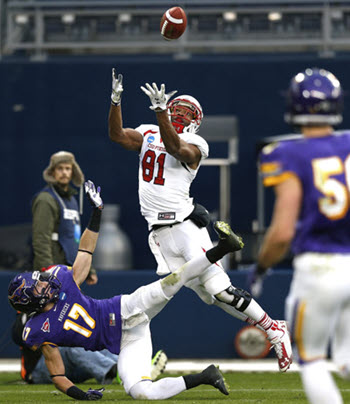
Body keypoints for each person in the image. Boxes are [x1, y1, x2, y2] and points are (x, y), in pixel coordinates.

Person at [108, 68, 292, 372]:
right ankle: (273, 327)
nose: (178, 113)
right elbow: (117, 136)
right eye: (176, 108)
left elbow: (176, 148)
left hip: (185, 228)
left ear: (196, 121)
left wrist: (161, 114)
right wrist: (115, 101)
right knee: (214, 297)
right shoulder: (151, 129)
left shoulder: (198, 144)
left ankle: (274, 329)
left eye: (185, 112)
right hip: (159, 233)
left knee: (221, 290)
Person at [8, 179, 245, 401]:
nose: (44, 283)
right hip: (127, 340)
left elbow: (85, 251)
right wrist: (81, 395)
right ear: (31, 301)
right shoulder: (37, 329)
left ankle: (223, 248)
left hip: (126, 308)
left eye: (39, 281)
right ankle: (206, 376)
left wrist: (97, 212)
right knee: (142, 392)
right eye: (37, 286)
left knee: (175, 280)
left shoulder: (63, 280)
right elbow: (57, 375)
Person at [248, 68, 349, 404]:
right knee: (347, 359)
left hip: (319, 270)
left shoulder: (286, 154)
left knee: (314, 361)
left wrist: (261, 266)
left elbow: (282, 233)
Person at [12, 312, 168, 384]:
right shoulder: (25, 319)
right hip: (39, 372)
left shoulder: (54, 308)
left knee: (93, 342)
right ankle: (121, 372)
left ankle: (136, 371)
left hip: (69, 370)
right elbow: (21, 338)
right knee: (70, 348)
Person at [32, 150, 97, 284]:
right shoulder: (46, 199)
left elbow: (77, 238)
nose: (64, 172)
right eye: (60, 168)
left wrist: (88, 269)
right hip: (53, 271)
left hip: (71, 271)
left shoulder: (72, 200)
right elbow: (41, 239)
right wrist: (46, 272)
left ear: (73, 172)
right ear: (52, 172)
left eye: (68, 168)